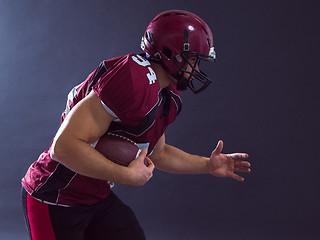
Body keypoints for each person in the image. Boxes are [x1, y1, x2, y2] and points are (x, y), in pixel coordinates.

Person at [21, 10, 251, 240]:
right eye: (192, 60)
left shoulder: (167, 95)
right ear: (172, 54)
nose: (197, 70)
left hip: (95, 198)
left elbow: (158, 154)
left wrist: (208, 165)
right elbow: (63, 148)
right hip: (54, 197)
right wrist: (126, 175)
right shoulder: (133, 78)